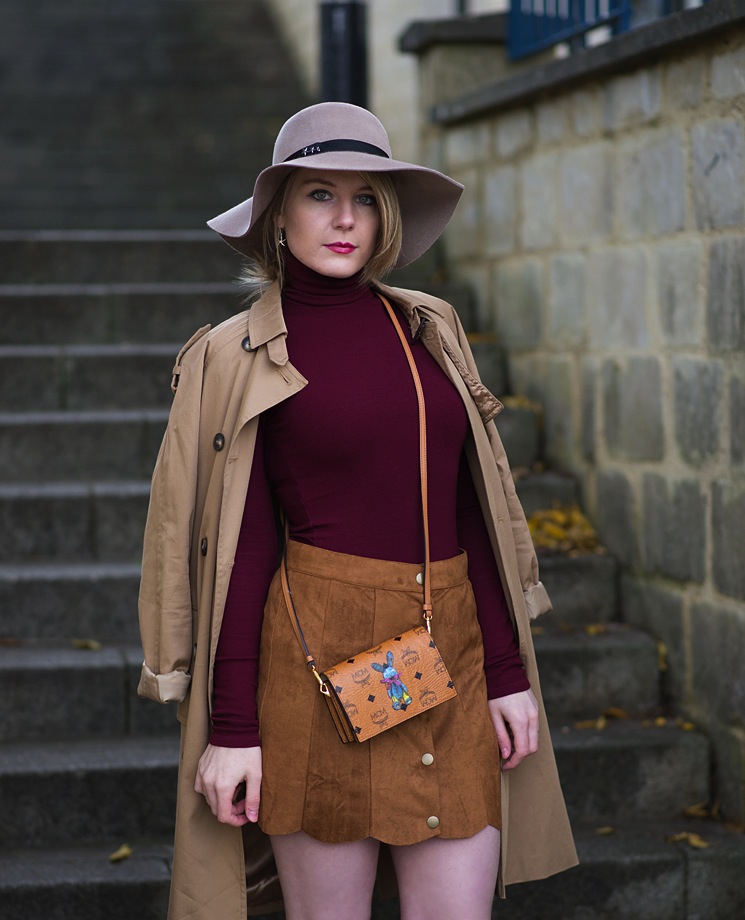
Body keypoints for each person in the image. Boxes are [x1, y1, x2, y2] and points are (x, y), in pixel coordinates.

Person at [138, 102, 577, 920]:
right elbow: (239, 552)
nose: (345, 217)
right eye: (318, 194)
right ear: (277, 215)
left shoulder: (428, 326)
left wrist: (510, 678)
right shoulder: (230, 357)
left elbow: (470, 508)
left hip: (447, 656)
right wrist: (233, 729)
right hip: (314, 662)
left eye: (367, 196)